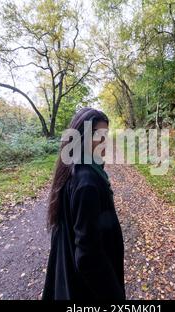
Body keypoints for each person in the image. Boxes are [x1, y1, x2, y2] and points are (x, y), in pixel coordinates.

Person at [42, 107, 126, 300]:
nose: (105, 143)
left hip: (73, 276)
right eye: (99, 136)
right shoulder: (87, 182)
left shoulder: (74, 168)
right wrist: (114, 295)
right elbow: (88, 256)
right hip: (86, 290)